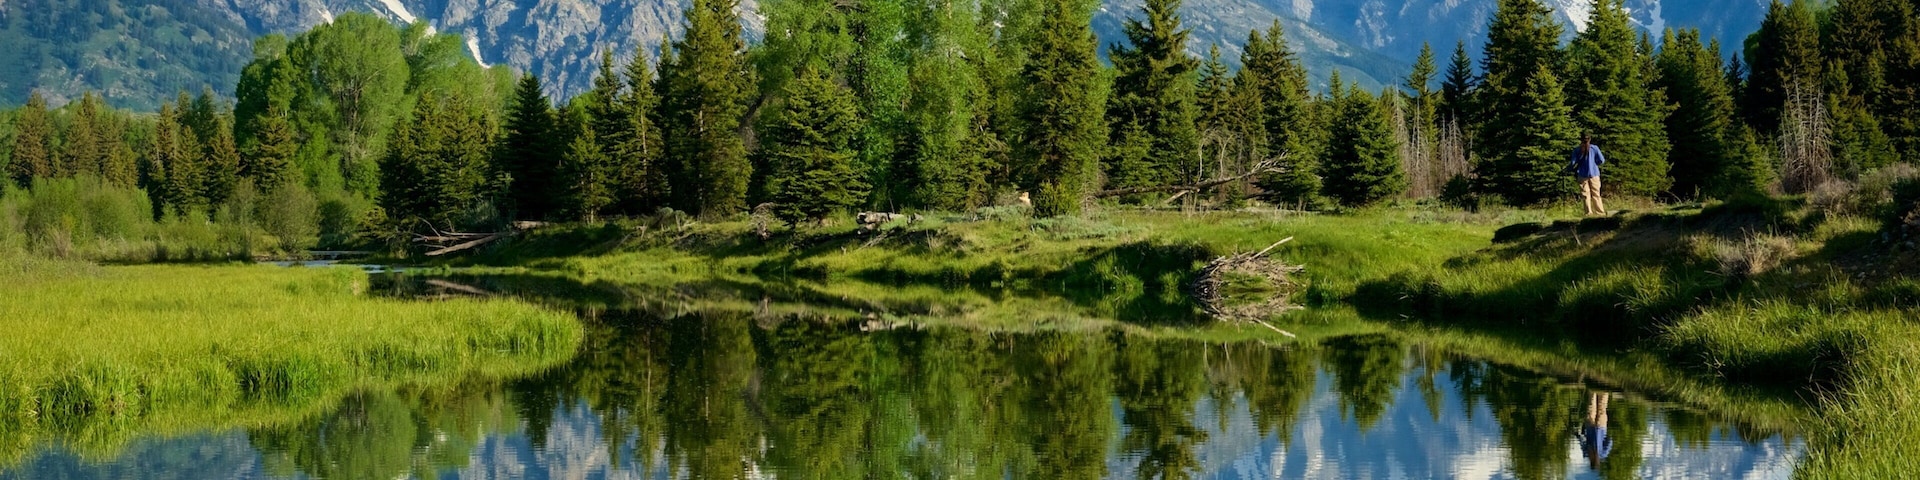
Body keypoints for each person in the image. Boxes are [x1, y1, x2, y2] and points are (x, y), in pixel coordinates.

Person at [1569, 134, 1608, 216]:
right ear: (1589, 140)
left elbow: (1573, 163)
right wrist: (1595, 164)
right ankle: (1600, 213)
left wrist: (1567, 169)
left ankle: (1588, 213)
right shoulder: (1594, 148)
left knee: (1585, 195)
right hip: (1594, 174)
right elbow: (1601, 160)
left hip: (1582, 175)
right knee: (1596, 194)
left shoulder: (1577, 150)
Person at [1578, 390, 1613, 469]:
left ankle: (1595, 389)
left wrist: (1578, 435)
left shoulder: (1588, 453)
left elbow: (1610, 441)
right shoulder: (1602, 454)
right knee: (1598, 408)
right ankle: (1601, 389)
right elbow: (1610, 441)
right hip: (1598, 427)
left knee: (1596, 408)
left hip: (1598, 427)